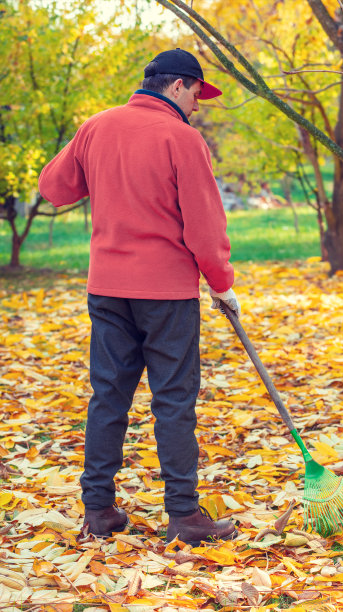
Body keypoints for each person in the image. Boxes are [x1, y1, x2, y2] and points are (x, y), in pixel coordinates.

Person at [38, 48, 240, 546]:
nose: (198, 105)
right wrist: (222, 283)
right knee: (173, 401)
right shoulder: (182, 138)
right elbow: (204, 226)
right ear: (177, 86)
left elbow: (53, 188)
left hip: (107, 289)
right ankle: (185, 516)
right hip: (167, 295)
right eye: (197, 93)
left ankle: (98, 510)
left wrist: (102, 162)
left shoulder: (96, 126)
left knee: (108, 395)